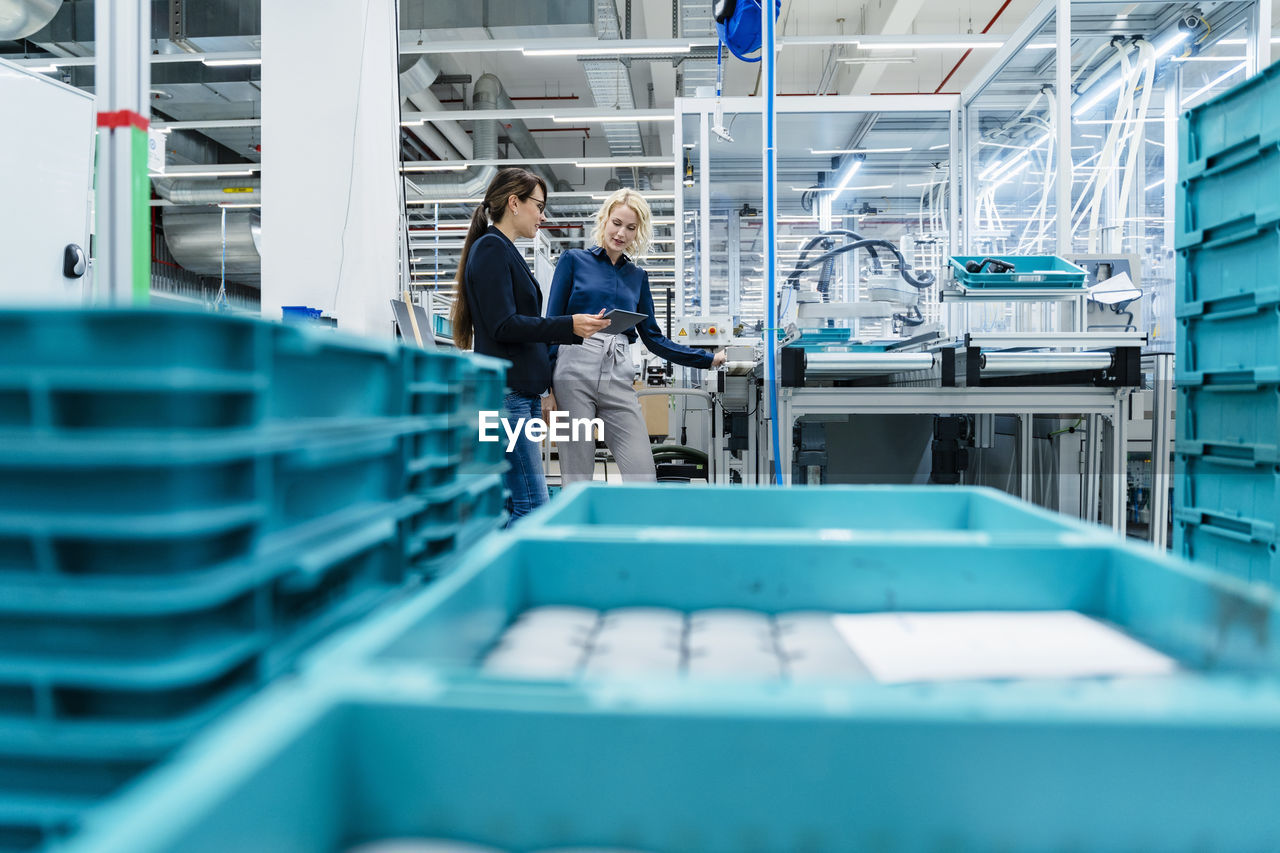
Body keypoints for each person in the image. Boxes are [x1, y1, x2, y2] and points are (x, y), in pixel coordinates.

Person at [451, 168, 610, 524]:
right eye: (538, 206)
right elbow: (503, 325)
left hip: (520, 394)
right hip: (508, 396)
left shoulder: (502, 250)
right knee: (531, 504)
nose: (542, 216)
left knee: (515, 502)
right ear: (513, 203)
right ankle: (523, 577)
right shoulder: (491, 248)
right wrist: (568, 325)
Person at [548, 188, 726, 484]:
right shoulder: (573, 260)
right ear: (604, 220)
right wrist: (547, 389)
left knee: (642, 470)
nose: (621, 233)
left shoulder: (637, 277)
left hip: (618, 368)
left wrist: (708, 359)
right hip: (574, 365)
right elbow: (552, 324)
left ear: (638, 232)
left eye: (630, 228)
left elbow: (654, 338)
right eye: (616, 223)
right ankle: (578, 528)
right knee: (576, 471)